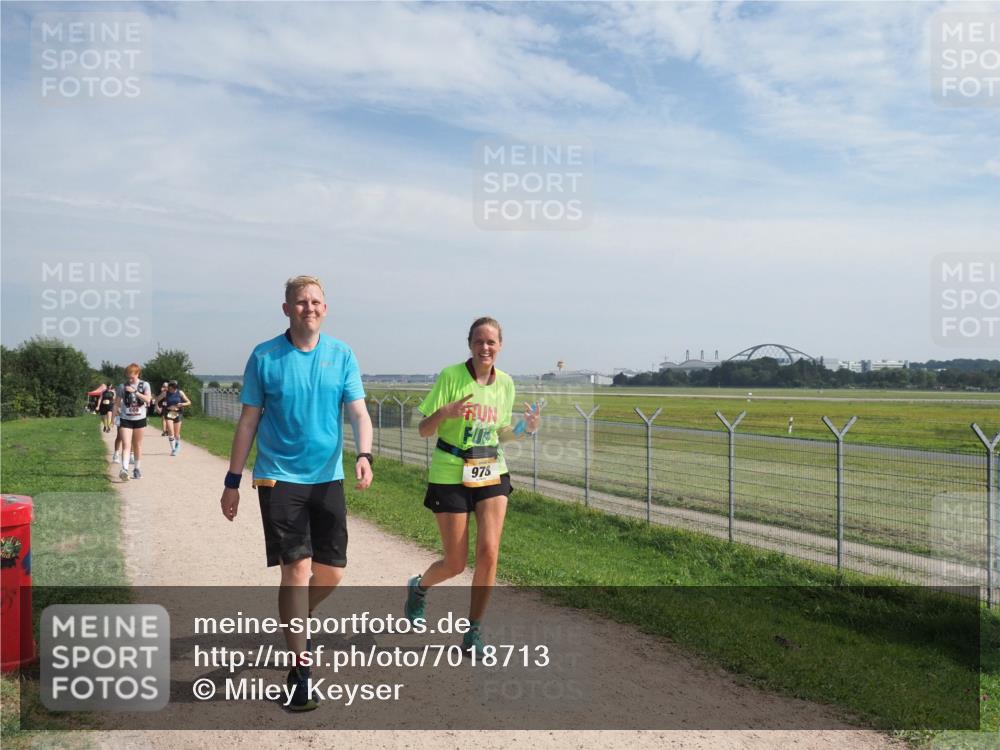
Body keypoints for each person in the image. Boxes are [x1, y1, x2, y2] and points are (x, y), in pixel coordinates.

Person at [219, 275, 374, 712]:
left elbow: (359, 411)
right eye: (301, 302)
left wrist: (365, 454)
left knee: (333, 573)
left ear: (326, 308)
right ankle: (301, 671)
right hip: (278, 477)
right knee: (297, 569)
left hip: (328, 478)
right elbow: (248, 421)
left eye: (317, 301)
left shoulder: (342, 354)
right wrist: (232, 481)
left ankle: (296, 618)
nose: (310, 307)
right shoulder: (265, 356)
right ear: (286, 309)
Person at [403, 317, 540, 658]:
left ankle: (473, 632)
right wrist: (446, 412)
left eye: (491, 342)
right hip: (450, 471)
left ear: (500, 345)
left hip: (491, 469)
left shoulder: (505, 383)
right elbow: (422, 429)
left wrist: (525, 428)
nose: (485, 347)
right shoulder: (451, 377)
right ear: (470, 344)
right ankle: (419, 588)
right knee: (455, 562)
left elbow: (501, 433)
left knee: (490, 552)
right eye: (479, 341)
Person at [112, 364, 153, 480]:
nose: (130, 380)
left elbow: (148, 399)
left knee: (137, 445)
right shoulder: (121, 387)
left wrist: (135, 392)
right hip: (126, 419)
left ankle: (137, 468)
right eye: (128, 377)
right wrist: (112, 419)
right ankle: (124, 469)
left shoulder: (145, 385)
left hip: (140, 419)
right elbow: (116, 404)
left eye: (132, 377)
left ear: (137, 374)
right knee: (126, 444)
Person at [156, 381, 192, 456]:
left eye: (172, 389)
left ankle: (178, 443)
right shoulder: (165, 393)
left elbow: (189, 402)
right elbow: (157, 400)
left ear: (176, 388)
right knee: (170, 431)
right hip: (169, 413)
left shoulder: (180, 393)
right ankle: (173, 449)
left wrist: (182, 404)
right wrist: (157, 407)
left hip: (178, 413)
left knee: (176, 434)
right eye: (170, 388)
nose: (171, 390)